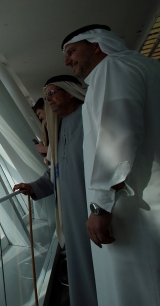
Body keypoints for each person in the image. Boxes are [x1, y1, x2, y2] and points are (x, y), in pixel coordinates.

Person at [62, 24, 160, 306]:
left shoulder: (113, 69)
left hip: (132, 208)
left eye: (72, 51)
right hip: (155, 201)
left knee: (140, 288)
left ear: (97, 46)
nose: (68, 61)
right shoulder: (147, 66)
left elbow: (119, 137)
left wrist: (100, 205)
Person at [14, 75, 97, 306]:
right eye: (46, 94)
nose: (48, 99)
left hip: (94, 209)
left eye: (52, 93)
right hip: (72, 213)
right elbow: (57, 171)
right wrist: (33, 187)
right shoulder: (62, 127)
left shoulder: (91, 118)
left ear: (70, 92)